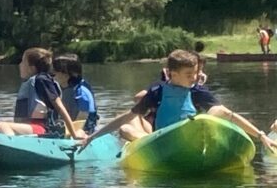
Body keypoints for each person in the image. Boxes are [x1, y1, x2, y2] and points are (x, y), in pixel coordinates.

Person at [81, 49, 276, 152]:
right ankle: (141, 144)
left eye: (196, 72)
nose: (194, 77)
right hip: (163, 140)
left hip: (189, 137)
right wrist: (92, 137)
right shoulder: (157, 92)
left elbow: (229, 115)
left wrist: (260, 136)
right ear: (173, 74)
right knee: (126, 126)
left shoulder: (197, 92)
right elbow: (127, 116)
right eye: (189, 74)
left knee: (218, 111)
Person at [0, 47, 81, 139]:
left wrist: (73, 133)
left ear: (31, 68)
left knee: (3, 125)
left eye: (22, 62)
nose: (19, 65)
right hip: (30, 127)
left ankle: (15, 146)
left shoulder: (42, 80)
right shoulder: (32, 82)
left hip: (42, 128)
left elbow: (60, 107)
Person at [51, 53, 99, 134]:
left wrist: (71, 132)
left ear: (66, 75)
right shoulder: (58, 89)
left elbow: (82, 119)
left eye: (54, 72)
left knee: (79, 132)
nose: (51, 74)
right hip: (66, 127)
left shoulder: (82, 92)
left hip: (84, 130)